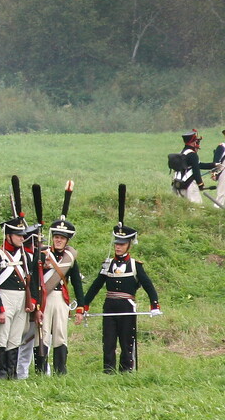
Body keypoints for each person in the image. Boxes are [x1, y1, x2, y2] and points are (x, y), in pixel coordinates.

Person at [77, 224, 160, 373]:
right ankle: (108, 369)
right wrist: (84, 304)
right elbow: (96, 285)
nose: (118, 247)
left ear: (129, 245)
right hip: (109, 306)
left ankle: (126, 369)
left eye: (122, 244)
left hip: (127, 306)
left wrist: (154, 305)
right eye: (116, 244)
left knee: (126, 339)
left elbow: (149, 286)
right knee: (108, 340)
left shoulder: (135, 265)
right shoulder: (108, 264)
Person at [35, 216, 84, 375]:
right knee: (42, 335)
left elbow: (76, 282)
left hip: (60, 298)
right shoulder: (43, 254)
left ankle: (60, 370)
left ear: (66, 241)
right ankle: (40, 370)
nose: (58, 240)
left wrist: (81, 307)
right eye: (56, 237)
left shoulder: (70, 259)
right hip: (45, 299)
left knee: (60, 335)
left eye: (61, 238)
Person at [0, 218, 36, 379]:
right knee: (2, 337)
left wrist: (33, 301)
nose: (23, 238)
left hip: (21, 299)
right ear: (8, 236)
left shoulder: (26, 257)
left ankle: (11, 372)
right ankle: (0, 373)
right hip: (5, 298)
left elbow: (33, 281)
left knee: (15, 338)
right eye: (18, 235)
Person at [171, 130, 208, 204]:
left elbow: (199, 165)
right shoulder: (192, 154)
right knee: (197, 206)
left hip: (179, 183)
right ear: (193, 142)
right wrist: (200, 184)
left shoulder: (182, 152)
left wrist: (214, 165)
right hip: (189, 185)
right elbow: (196, 170)